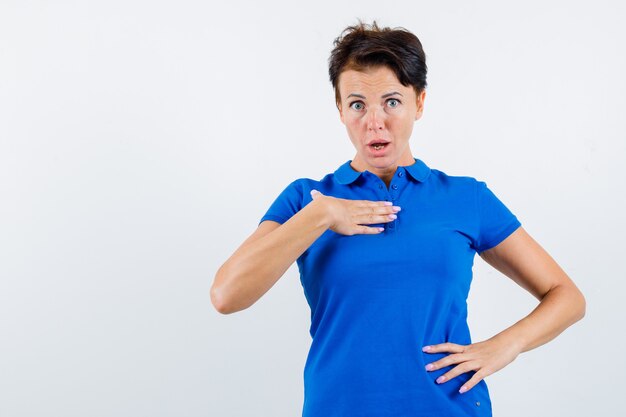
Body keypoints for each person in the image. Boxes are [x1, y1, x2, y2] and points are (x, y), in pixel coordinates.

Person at [211, 20, 586, 417]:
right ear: (339, 109)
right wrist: (320, 215)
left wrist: (504, 346)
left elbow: (567, 297)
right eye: (357, 104)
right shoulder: (306, 198)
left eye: (391, 101)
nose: (375, 121)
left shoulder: (465, 197)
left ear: (419, 103)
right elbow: (226, 295)